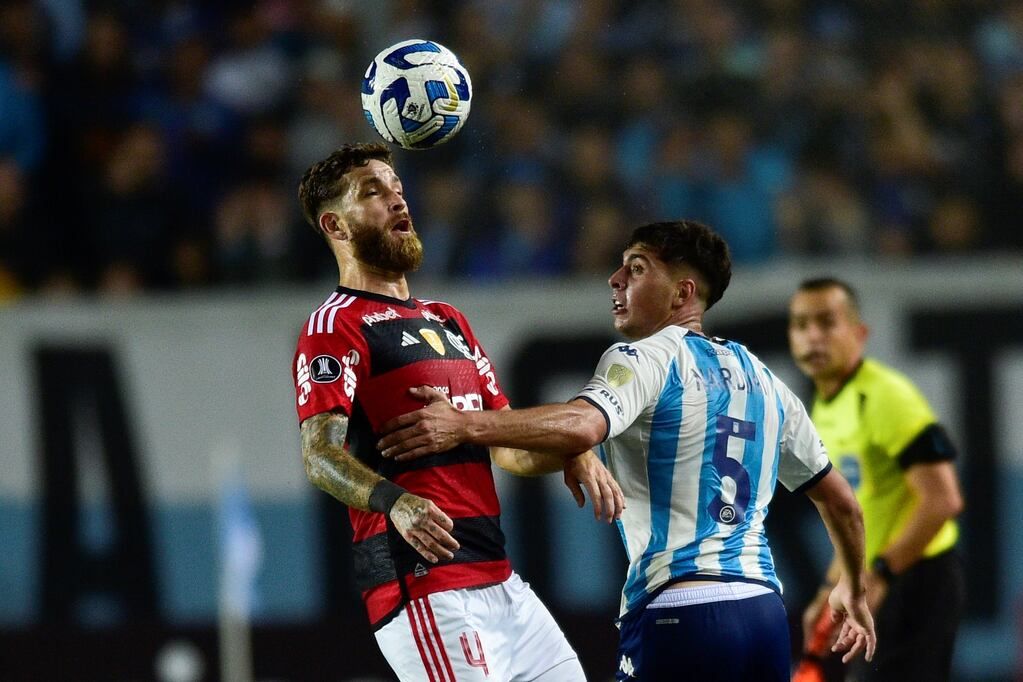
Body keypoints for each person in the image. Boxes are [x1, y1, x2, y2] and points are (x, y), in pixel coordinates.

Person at [377, 220, 876, 681]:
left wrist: (462, 424)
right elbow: (843, 505)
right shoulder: (767, 382)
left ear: (683, 292)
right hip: (764, 614)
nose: (615, 279)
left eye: (637, 269)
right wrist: (852, 587)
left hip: (680, 612)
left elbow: (580, 425)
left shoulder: (647, 357)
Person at [291, 142, 623, 681]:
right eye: (372, 193)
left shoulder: (448, 320)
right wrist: (397, 504)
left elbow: (508, 450)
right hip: (424, 585)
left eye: (397, 189)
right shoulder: (335, 325)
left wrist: (571, 447)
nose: (397, 201)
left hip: (500, 580)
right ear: (335, 225)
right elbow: (319, 455)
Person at [788, 277, 965, 681]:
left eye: (826, 322)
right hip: (876, 583)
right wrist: (831, 587)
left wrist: (881, 573)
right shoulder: (826, 408)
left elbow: (943, 500)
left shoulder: (886, 397)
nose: (812, 335)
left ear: (859, 332)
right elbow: (865, 509)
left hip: (918, 579)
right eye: (801, 324)